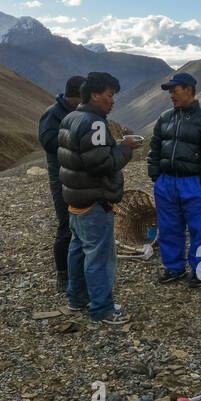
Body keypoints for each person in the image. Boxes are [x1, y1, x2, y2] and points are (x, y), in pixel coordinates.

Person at [59, 71, 143, 324]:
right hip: (95, 200)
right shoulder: (95, 123)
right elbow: (102, 164)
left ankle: (76, 298)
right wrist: (126, 147)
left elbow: (83, 157)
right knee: (99, 255)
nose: (113, 101)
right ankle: (103, 309)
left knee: (78, 250)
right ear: (95, 95)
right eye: (109, 95)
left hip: (75, 199)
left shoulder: (71, 117)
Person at [147, 72, 201, 289]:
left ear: (189, 89)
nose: (171, 95)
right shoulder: (164, 118)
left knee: (199, 229)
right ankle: (174, 268)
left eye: (175, 90)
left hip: (194, 183)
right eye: (170, 91)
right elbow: (154, 148)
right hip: (166, 183)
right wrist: (156, 175)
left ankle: (200, 272)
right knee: (169, 227)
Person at [38, 75, 85, 288]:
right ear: (72, 96)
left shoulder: (78, 112)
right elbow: (48, 142)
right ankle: (62, 273)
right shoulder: (52, 115)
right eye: (82, 98)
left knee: (80, 222)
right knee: (66, 224)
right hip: (60, 178)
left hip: (78, 176)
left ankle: (78, 267)